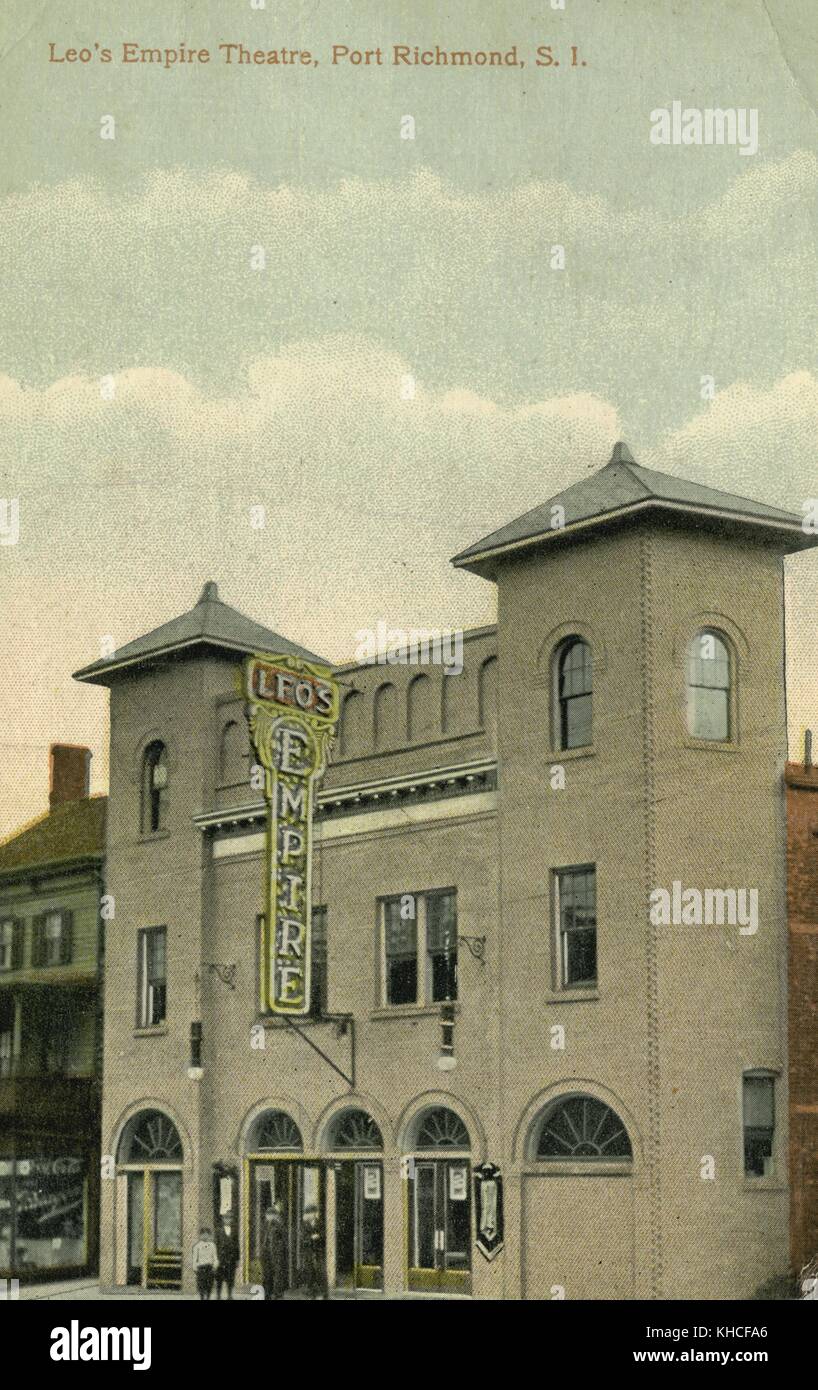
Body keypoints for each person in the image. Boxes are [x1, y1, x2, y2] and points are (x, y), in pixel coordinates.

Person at [260, 1200, 287, 1301]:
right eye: (268, 1215)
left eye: (271, 1215)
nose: (269, 1217)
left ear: (275, 1215)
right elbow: (263, 1239)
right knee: (267, 1275)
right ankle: (267, 1294)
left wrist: (279, 1251)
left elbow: (283, 1239)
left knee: (277, 1275)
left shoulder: (278, 1225)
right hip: (266, 1254)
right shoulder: (264, 1225)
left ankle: (278, 1294)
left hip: (276, 1254)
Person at [301, 1205, 327, 1300]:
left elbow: (324, 1235)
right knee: (309, 1273)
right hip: (308, 1253)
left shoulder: (320, 1223)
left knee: (320, 1273)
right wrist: (310, 1238)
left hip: (318, 1252)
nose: (309, 1215)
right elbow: (302, 1238)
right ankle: (311, 1295)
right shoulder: (304, 1224)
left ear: (314, 1213)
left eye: (311, 1213)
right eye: (308, 1213)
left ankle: (322, 1295)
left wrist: (319, 1236)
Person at [215, 1217, 240, 1300]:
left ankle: (229, 1295)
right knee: (219, 1277)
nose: (227, 1220)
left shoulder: (234, 1231)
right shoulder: (218, 1231)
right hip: (221, 1258)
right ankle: (218, 1295)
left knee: (230, 1278)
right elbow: (216, 1244)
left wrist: (237, 1259)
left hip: (231, 1258)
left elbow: (237, 1245)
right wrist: (216, 1258)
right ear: (223, 1219)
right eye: (226, 1218)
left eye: (229, 1218)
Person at [192, 1226, 218, 1301]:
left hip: (209, 1268)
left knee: (209, 1285)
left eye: (207, 1234)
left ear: (209, 1235)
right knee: (201, 1286)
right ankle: (202, 1298)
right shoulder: (197, 1246)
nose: (205, 1236)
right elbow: (194, 1259)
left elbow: (215, 1257)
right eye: (203, 1234)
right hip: (201, 1268)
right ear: (200, 1235)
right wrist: (195, 1268)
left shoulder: (212, 1245)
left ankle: (208, 1297)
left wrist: (215, 1266)